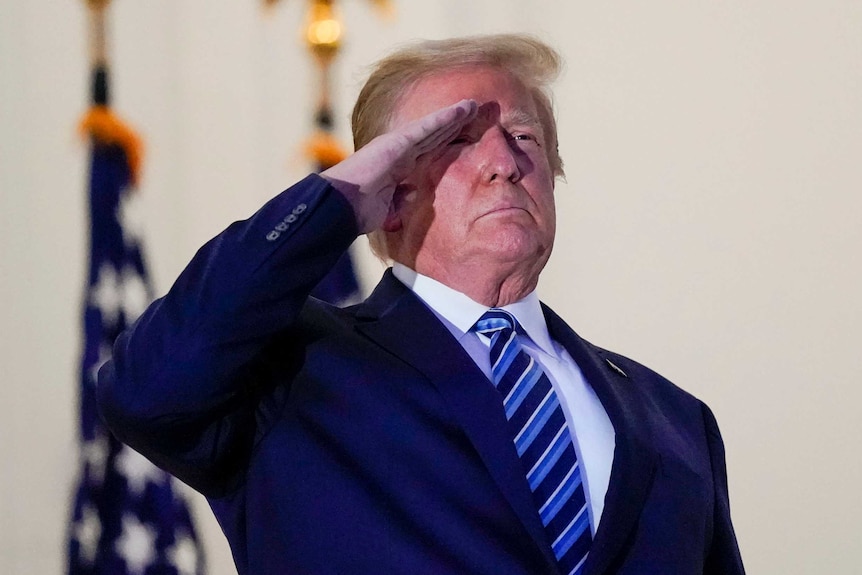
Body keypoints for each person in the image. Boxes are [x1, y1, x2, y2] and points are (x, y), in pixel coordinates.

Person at [97, 34, 745, 575]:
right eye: (456, 139)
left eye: (524, 137)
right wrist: (334, 203)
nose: (504, 162)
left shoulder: (677, 420)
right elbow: (145, 390)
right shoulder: (287, 371)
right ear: (387, 182)